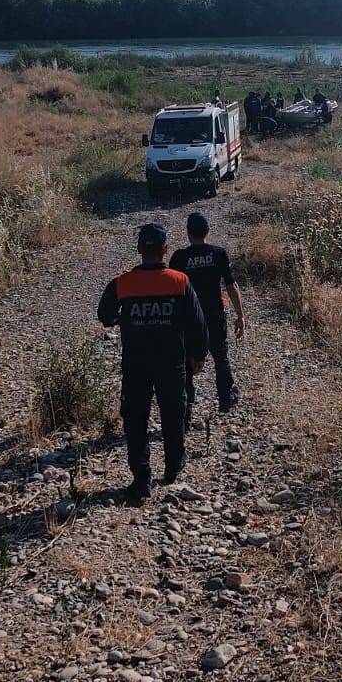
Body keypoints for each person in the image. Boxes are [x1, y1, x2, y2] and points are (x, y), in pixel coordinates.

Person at [97, 221, 209, 503]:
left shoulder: (122, 283)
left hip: (136, 365)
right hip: (172, 363)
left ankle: (141, 479)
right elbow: (197, 324)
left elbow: (105, 316)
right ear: (165, 249)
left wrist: (125, 318)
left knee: (135, 421)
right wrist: (198, 355)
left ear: (138, 249)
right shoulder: (180, 281)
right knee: (173, 417)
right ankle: (172, 469)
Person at [170, 211, 244, 422]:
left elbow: (171, 291)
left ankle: (186, 407)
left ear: (187, 233)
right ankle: (225, 400)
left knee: (185, 362)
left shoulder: (179, 257)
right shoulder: (218, 253)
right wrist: (240, 315)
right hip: (214, 315)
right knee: (220, 357)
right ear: (208, 231)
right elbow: (231, 285)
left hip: (189, 319)